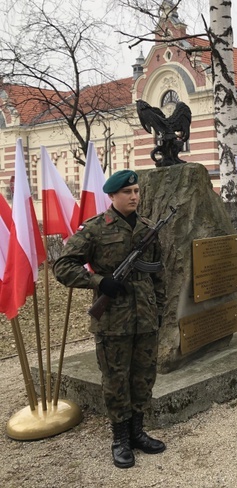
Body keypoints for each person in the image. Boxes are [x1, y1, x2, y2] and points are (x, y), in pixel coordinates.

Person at [53, 170, 167, 469]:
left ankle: (138, 432)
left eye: (137, 191)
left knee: (143, 378)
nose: (134, 196)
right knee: (116, 380)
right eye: (127, 191)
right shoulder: (94, 229)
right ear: (112, 196)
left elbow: (157, 273)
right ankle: (120, 439)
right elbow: (63, 266)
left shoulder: (148, 228)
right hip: (113, 320)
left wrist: (159, 310)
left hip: (146, 318)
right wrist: (98, 282)